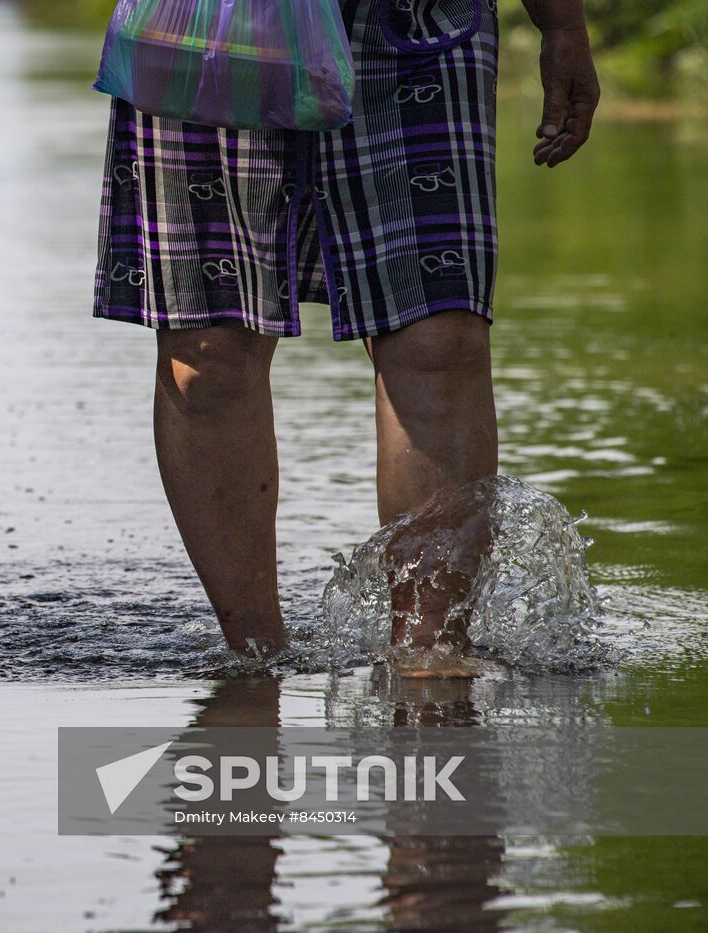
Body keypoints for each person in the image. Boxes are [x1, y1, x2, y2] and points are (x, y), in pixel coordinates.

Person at [92, 0, 599, 665]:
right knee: (208, 350)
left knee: (439, 337)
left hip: (414, 22)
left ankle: (430, 665)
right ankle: (254, 664)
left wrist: (561, 23)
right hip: (209, 25)